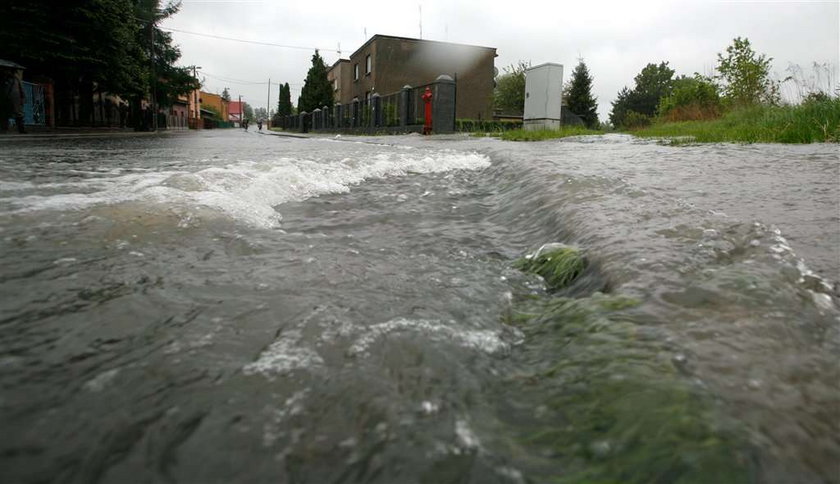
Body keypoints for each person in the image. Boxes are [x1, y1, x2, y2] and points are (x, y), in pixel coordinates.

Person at [1, 67, 26, 134]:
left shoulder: (16, 79)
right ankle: (4, 129)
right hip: (8, 99)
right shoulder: (4, 79)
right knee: (5, 115)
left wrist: (23, 98)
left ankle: (21, 129)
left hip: (14, 99)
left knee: (18, 115)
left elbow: (21, 89)